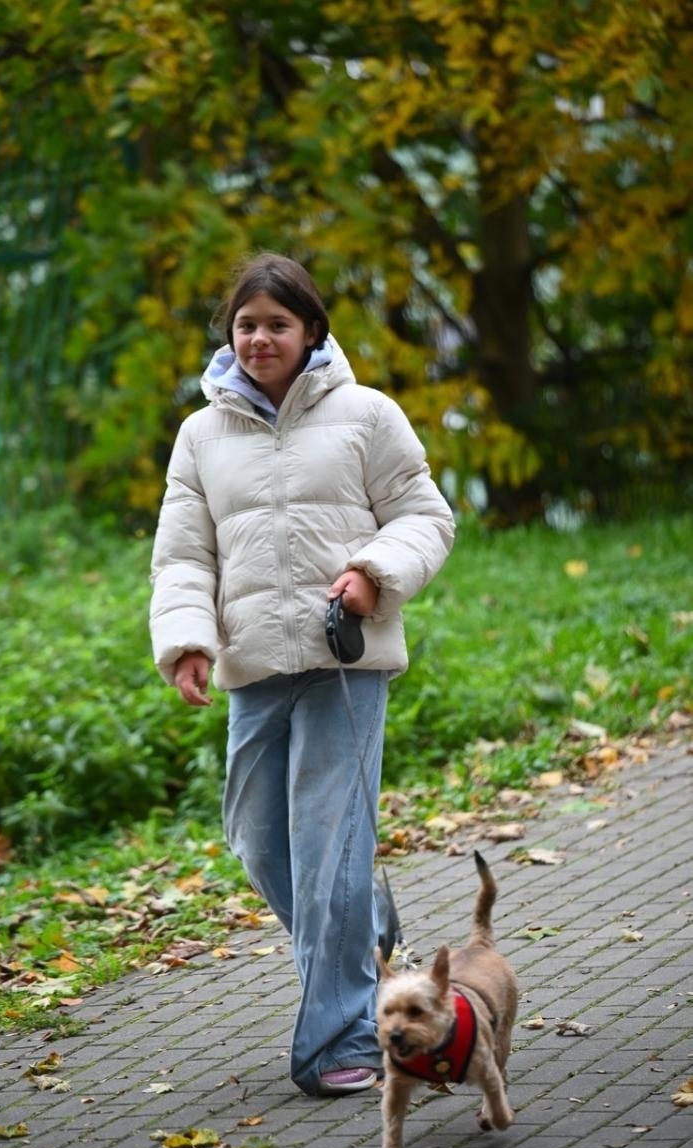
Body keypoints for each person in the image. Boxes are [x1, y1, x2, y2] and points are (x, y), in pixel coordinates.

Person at [148, 253, 455, 1097]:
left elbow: (426, 515)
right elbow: (182, 553)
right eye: (245, 325)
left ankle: (341, 1042)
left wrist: (372, 572)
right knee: (257, 839)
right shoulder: (200, 434)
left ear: (311, 330)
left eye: (276, 324)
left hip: (342, 663)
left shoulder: (366, 414)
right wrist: (187, 641)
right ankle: (366, 934)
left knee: (329, 857)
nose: (258, 339)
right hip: (254, 667)